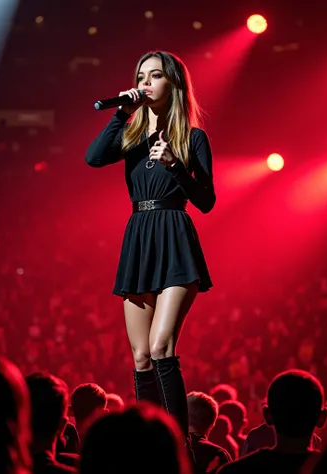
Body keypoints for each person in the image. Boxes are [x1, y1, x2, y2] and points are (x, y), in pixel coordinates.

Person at [85, 50, 215, 445]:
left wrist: (177, 164)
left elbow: (207, 201)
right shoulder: (131, 136)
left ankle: (179, 446)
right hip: (139, 235)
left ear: (173, 84)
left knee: (161, 346)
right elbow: (93, 158)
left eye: (155, 76)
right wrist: (122, 112)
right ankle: (150, 446)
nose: (145, 82)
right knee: (140, 356)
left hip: (175, 235)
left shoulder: (193, 137)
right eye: (141, 75)